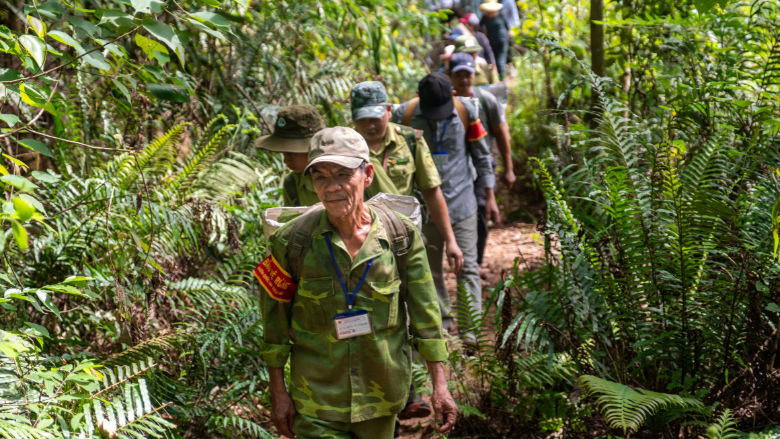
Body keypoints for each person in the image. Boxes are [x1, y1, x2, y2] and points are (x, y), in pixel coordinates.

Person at [256, 126, 457, 439]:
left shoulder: (400, 236)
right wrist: (278, 392)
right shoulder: (290, 241)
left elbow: (426, 315)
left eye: (343, 174)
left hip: (380, 395)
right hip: (316, 398)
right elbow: (275, 326)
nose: (332, 187)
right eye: (321, 177)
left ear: (367, 175)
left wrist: (440, 386)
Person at [393, 73, 497, 343]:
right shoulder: (404, 115)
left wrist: (490, 195)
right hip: (423, 208)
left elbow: (482, 154)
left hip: (462, 203)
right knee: (431, 269)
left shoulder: (467, 111)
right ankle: (442, 323)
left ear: (452, 96)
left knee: (467, 267)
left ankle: (471, 332)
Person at [350, 81, 464, 277]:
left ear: (388, 111)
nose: (370, 125)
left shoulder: (410, 140)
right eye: (363, 119)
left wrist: (450, 240)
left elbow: (431, 191)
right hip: (361, 243)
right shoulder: (345, 145)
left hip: (406, 238)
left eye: (375, 118)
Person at [449, 52, 515, 266]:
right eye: (458, 75)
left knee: (481, 209)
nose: (464, 80)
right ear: (451, 76)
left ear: (474, 75)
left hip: (482, 165)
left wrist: (509, 168)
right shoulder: (445, 104)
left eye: (467, 74)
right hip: (455, 168)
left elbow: (502, 135)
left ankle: (474, 262)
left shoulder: (487, 101)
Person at [256, 105, 325, 206]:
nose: (285, 160)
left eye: (290, 154)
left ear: (311, 149)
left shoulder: (344, 177)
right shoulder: (292, 184)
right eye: (283, 153)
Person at [479, 0, 509, 80]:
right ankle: (497, 78)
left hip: (501, 41)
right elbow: (480, 29)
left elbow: (507, 29)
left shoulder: (500, 16)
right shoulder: (485, 18)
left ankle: (501, 78)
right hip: (492, 42)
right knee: (495, 60)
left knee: (500, 61)